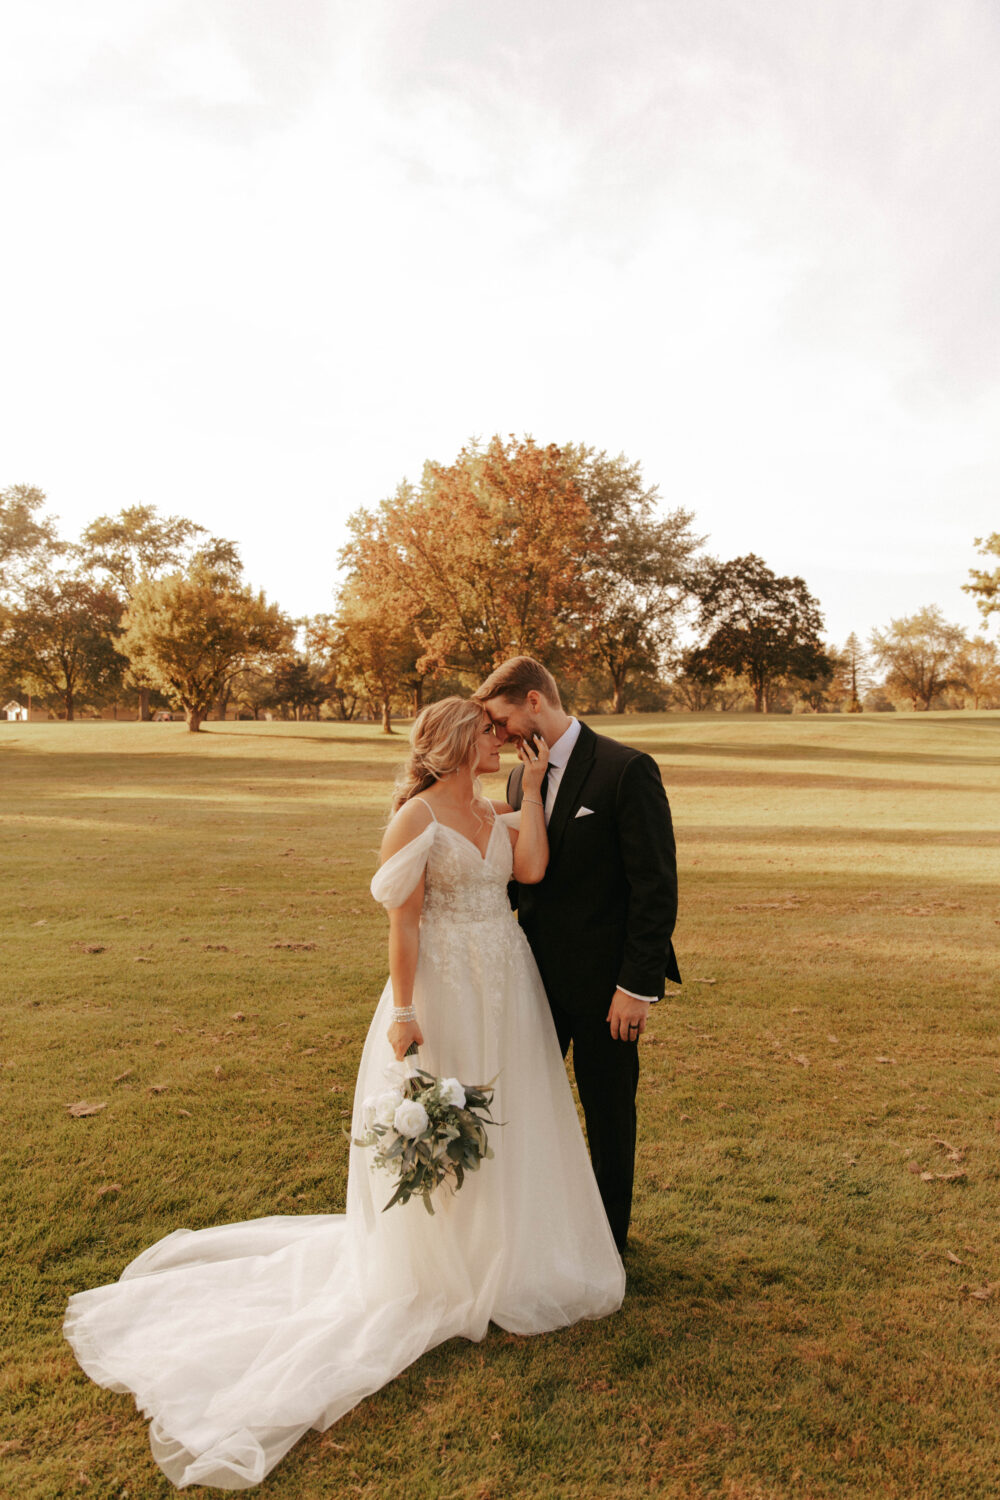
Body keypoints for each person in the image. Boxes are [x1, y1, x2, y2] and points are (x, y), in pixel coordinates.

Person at [64, 697, 624, 1491]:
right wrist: (404, 1012)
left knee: (514, 1115)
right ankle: (440, 1265)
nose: (503, 743)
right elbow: (402, 926)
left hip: (508, 980)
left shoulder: (491, 807)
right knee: (452, 1117)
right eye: (492, 736)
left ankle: (504, 1253)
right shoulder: (417, 818)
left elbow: (528, 868)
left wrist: (532, 792)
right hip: (444, 988)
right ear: (462, 742)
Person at [474, 657, 681, 1252]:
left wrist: (636, 987)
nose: (500, 733)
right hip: (531, 980)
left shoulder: (626, 770)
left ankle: (609, 1242)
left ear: (534, 702)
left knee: (609, 1113)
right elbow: (522, 875)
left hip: (605, 990)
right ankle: (539, 1227)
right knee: (527, 1105)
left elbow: (655, 888)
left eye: (501, 718)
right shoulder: (520, 780)